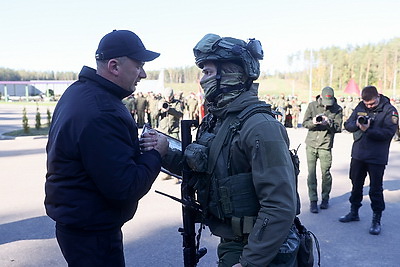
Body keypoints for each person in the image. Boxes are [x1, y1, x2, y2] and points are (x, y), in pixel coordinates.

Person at [162, 33, 297, 267]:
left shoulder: (261, 127)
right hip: (234, 242)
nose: (202, 80)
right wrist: (165, 150)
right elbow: (205, 169)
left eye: (208, 72)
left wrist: (249, 262)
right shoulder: (220, 121)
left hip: (261, 248)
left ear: (231, 73)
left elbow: (280, 207)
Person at [44, 29, 168, 266]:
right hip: (93, 234)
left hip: (79, 225)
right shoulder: (102, 110)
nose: (143, 73)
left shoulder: (79, 92)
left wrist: (134, 149)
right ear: (114, 66)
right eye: (139, 65)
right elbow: (125, 187)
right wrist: (155, 154)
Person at [339, 86, 398, 235]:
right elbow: (348, 124)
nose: (369, 106)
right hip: (359, 154)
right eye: (366, 104)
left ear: (378, 96)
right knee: (356, 184)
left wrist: (368, 130)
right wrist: (358, 125)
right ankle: (354, 212)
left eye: (371, 103)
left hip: (377, 157)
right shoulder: (360, 106)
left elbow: (388, 133)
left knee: (375, 189)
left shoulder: (389, 110)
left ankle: (376, 219)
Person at [302, 86, 343, 213]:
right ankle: (313, 200)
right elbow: (305, 123)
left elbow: (338, 128)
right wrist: (314, 122)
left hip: (325, 145)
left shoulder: (337, 109)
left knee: (326, 173)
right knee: (311, 174)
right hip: (311, 144)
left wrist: (329, 123)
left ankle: (325, 198)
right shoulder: (312, 106)